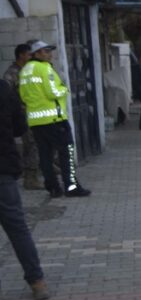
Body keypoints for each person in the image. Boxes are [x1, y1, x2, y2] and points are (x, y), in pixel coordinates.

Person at [0, 71, 50, 300]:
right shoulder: (4, 89)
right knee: (18, 228)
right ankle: (37, 282)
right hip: (4, 169)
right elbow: (20, 127)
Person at [18, 41, 90, 198]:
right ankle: (71, 187)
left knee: (45, 156)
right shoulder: (44, 68)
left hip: (36, 122)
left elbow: (23, 96)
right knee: (67, 153)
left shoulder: (25, 70)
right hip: (54, 120)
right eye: (45, 51)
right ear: (36, 54)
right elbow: (52, 92)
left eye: (50, 51)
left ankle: (53, 188)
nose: (50, 54)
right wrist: (64, 89)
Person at [4, 43, 43, 190]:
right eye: (29, 54)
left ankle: (40, 169)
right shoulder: (11, 73)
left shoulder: (28, 70)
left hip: (34, 112)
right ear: (21, 55)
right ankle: (30, 178)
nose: (31, 57)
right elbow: (9, 95)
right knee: (31, 144)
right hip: (22, 114)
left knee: (39, 142)